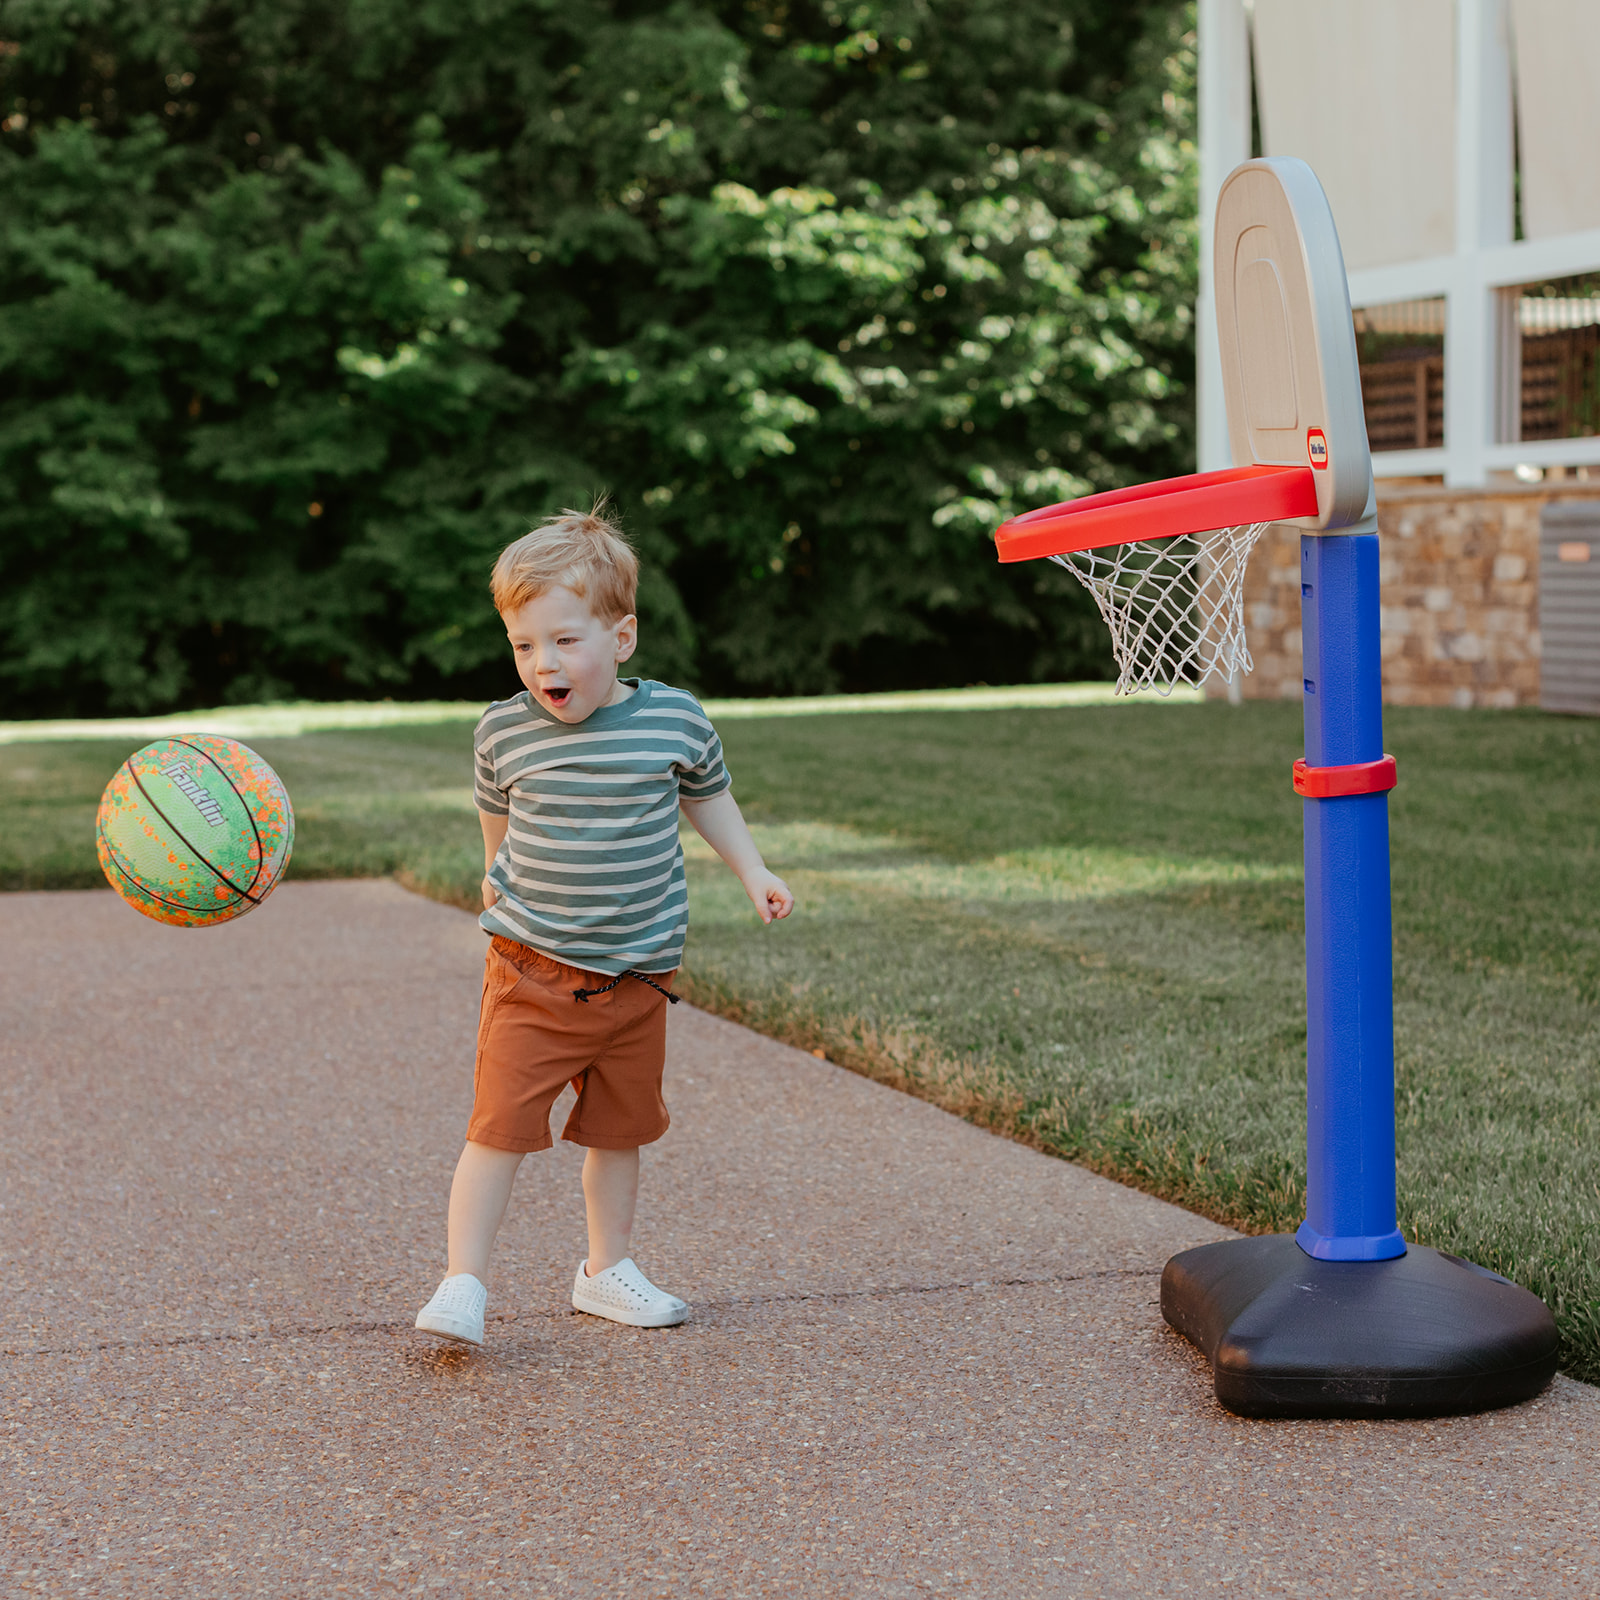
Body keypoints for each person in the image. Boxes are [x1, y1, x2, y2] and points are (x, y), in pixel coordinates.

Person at [415, 503, 794, 1347]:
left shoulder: (673, 719)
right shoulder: (503, 729)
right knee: (497, 1131)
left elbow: (709, 795)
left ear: (621, 639)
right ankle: (463, 1282)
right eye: (522, 645)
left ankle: (604, 1271)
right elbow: (497, 820)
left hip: (638, 978)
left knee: (619, 1134)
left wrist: (753, 869)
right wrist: (494, 876)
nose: (542, 663)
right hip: (532, 970)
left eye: (563, 640)